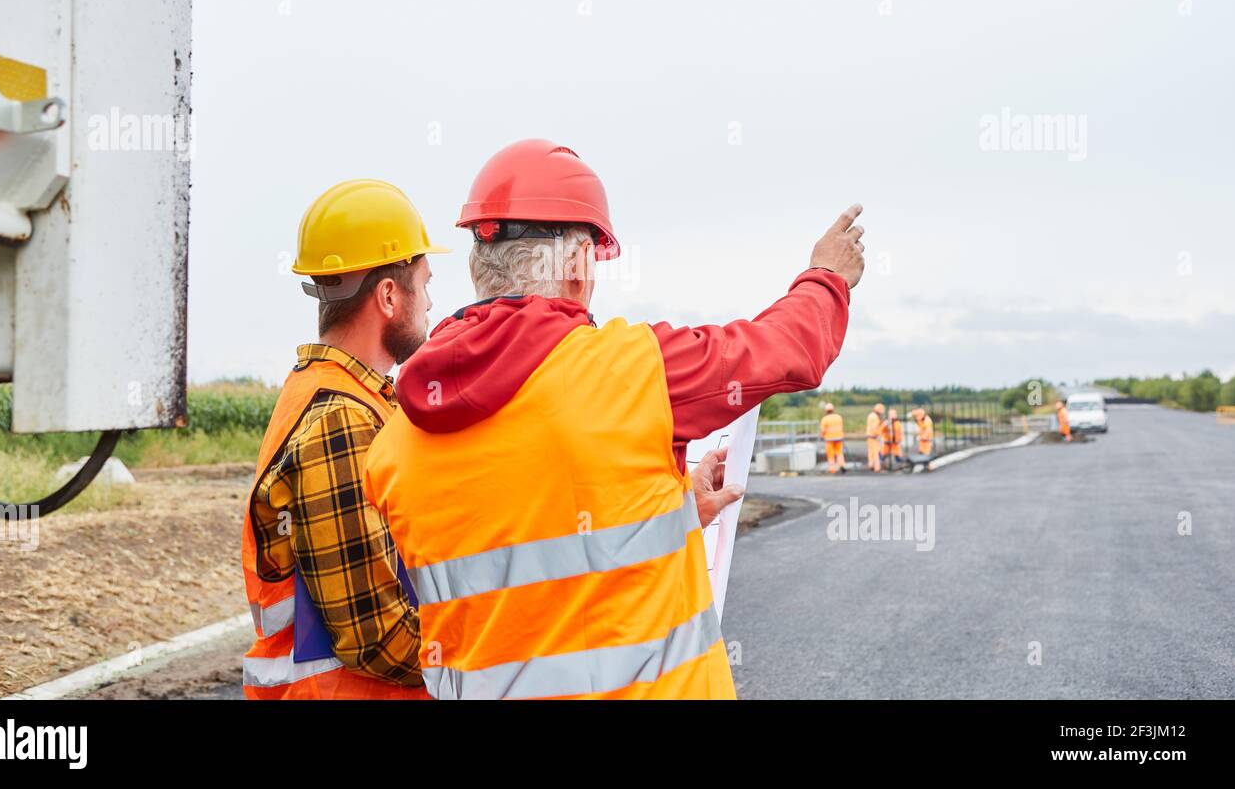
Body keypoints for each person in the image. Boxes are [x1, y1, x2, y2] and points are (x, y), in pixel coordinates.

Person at [363, 138, 866, 699]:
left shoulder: (394, 444)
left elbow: (527, 578)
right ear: (577, 265)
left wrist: (673, 516)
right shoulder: (629, 371)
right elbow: (785, 350)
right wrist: (827, 276)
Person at [240, 180, 448, 699]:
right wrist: (490, 662)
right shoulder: (341, 420)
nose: (429, 302)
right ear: (388, 296)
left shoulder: (347, 397)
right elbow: (376, 636)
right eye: (424, 283)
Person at [819, 402, 846, 474]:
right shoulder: (838, 417)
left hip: (829, 439)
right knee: (839, 452)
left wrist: (821, 436)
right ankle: (842, 465)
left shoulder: (825, 419)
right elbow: (842, 427)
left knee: (830, 454)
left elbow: (823, 430)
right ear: (833, 409)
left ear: (826, 410)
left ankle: (832, 469)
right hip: (839, 438)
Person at [866, 402, 885, 472]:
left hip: (869, 437)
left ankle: (871, 465)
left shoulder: (870, 415)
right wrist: (879, 434)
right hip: (874, 437)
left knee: (871, 453)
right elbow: (875, 428)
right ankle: (877, 467)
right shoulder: (875, 417)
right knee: (876, 453)